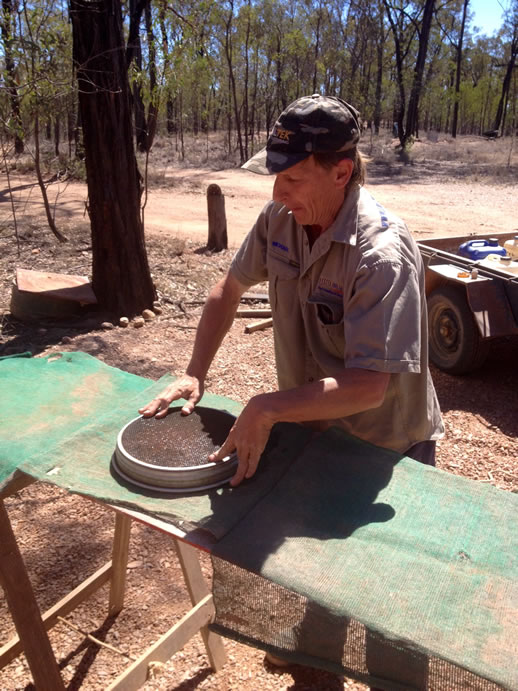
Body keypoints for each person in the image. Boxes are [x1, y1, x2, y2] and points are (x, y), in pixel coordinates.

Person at [139, 93, 444, 487]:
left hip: (387, 451)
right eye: (275, 177)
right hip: (312, 433)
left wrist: (267, 407)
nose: (277, 194)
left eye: (292, 178)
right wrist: (195, 373)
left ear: (341, 174)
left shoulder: (381, 254)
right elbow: (228, 290)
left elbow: (369, 387)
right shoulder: (279, 219)